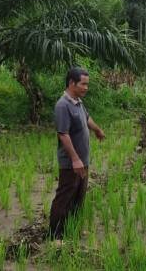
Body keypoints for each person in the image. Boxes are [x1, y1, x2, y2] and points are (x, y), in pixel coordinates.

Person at [48, 66, 105, 240]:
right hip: (71, 164)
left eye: (87, 84)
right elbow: (63, 134)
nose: (86, 88)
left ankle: (72, 229)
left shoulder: (78, 102)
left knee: (78, 198)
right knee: (64, 199)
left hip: (83, 162)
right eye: (83, 84)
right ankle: (55, 235)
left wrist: (97, 130)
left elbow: (87, 118)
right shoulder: (63, 105)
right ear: (72, 83)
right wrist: (75, 160)